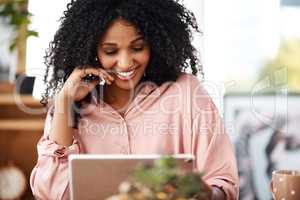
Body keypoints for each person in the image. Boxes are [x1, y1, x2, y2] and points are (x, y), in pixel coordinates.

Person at [30, 0, 239, 199]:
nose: (125, 63)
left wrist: (203, 194)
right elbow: (50, 194)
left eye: (137, 47)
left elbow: (224, 184)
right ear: (92, 50)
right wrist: (64, 101)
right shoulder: (71, 105)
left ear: (154, 43)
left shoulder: (187, 93)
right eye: (110, 51)